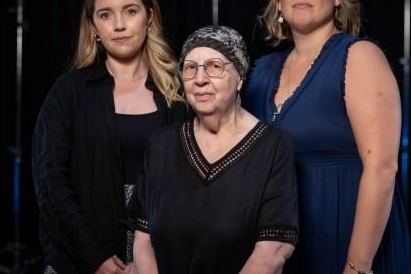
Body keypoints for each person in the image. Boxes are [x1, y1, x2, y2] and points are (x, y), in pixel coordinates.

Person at [243, 0, 411, 274]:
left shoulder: (358, 56)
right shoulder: (259, 72)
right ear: (278, 0)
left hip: (347, 239)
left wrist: (357, 266)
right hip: (281, 249)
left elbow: (382, 168)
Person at [31, 0, 187, 274]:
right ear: (93, 27)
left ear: (150, 17)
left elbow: (193, 185)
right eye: (105, 14)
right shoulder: (69, 92)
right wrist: (96, 259)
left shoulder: (179, 92)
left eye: (130, 11)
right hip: (80, 257)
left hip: (161, 257)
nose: (119, 24)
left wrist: (148, 259)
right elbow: (51, 183)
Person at [128, 25, 299, 274]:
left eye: (214, 67)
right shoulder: (161, 144)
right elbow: (143, 243)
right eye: (190, 68)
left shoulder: (273, 146)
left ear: (239, 78)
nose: (200, 79)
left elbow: (272, 252)